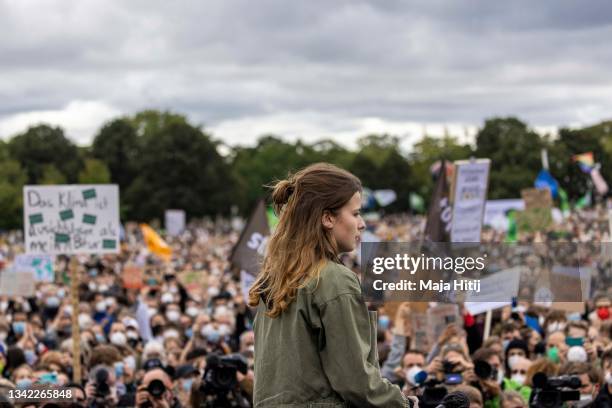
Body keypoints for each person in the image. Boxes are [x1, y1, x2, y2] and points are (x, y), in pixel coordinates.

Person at [248, 163, 414, 407]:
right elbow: (356, 381)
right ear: (327, 218)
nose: (362, 224)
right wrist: (403, 403)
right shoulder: (333, 278)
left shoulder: (275, 280)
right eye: (355, 213)